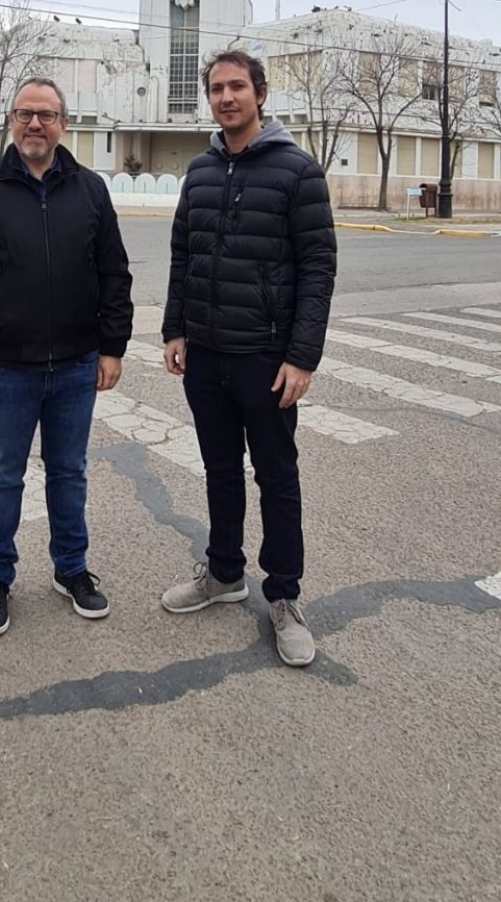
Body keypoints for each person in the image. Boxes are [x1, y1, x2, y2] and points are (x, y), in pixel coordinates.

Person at [0, 77, 133, 637]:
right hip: (4, 365)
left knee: (68, 472)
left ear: (63, 124)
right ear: (10, 121)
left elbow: (113, 273)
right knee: (3, 475)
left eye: (46, 115)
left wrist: (112, 346)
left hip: (75, 364)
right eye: (25, 114)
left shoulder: (91, 189)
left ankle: (71, 569)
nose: (34, 125)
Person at [161, 49, 336, 667]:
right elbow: (184, 254)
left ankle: (284, 596)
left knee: (277, 477)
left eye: (237, 86)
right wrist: (174, 329)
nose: (226, 97)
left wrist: (302, 356)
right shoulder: (200, 171)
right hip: (205, 354)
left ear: (260, 93)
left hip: (265, 359)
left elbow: (318, 269)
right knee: (218, 471)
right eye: (216, 88)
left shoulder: (297, 172)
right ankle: (223, 573)